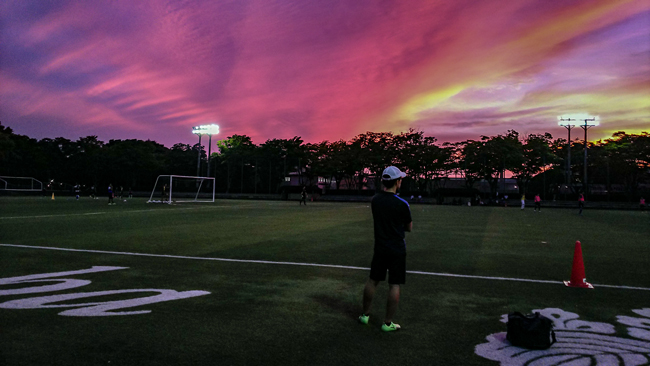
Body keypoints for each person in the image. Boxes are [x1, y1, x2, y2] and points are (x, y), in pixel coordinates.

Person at [359, 166, 412, 332]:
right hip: (397, 248)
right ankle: (387, 323)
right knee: (394, 284)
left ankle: (365, 315)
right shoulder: (402, 204)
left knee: (373, 280)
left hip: (380, 247)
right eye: (400, 179)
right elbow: (409, 227)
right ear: (396, 182)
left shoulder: (375, 200)